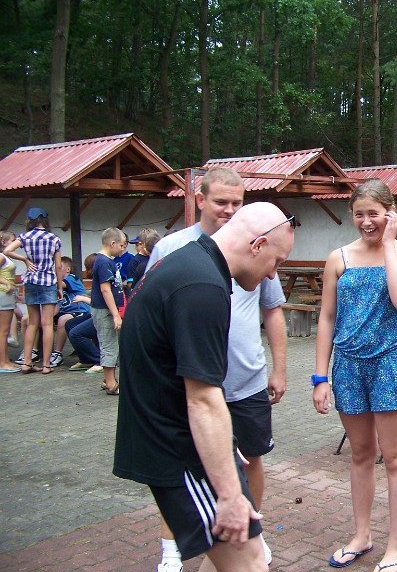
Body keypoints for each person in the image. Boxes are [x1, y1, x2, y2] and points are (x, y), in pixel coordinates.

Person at [113, 202, 295, 572]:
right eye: (276, 261)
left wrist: (222, 445)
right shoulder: (202, 285)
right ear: (258, 245)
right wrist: (227, 491)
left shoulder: (189, 263)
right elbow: (203, 400)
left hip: (182, 437)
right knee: (249, 562)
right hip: (179, 448)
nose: (273, 274)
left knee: (239, 554)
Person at [312, 179, 397, 572]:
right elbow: (327, 318)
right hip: (348, 367)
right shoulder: (338, 258)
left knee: (395, 457)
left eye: (374, 213)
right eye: (359, 214)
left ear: (390, 213)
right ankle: (362, 535)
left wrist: (389, 244)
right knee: (360, 454)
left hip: (388, 365)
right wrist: (319, 377)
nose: (366, 222)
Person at [3, 207, 63, 374]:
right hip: (48, 282)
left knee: (32, 323)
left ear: (30, 220)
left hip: (30, 281)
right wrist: (59, 286)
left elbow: (7, 250)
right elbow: (58, 266)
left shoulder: (24, 237)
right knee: (47, 324)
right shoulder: (54, 239)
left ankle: (26, 362)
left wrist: (24, 259)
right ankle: (46, 365)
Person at [91, 227, 127, 394]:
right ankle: (111, 384)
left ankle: (108, 379)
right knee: (109, 345)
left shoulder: (106, 260)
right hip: (104, 310)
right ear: (112, 243)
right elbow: (105, 290)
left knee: (112, 344)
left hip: (107, 310)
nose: (122, 249)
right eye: (121, 245)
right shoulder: (104, 262)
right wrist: (115, 315)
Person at [50, 256, 92, 367]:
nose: (55, 270)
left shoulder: (71, 278)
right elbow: (57, 305)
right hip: (65, 311)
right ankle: (34, 351)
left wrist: (44, 278)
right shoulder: (56, 287)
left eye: (59, 267)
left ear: (68, 269)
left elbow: (59, 284)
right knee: (32, 319)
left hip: (80, 311)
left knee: (63, 320)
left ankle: (57, 353)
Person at [0, 231, 20, 372]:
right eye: (12, 240)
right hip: (3, 293)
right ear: (4, 242)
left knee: (4, 330)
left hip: (8, 295)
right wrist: (6, 283)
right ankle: (3, 362)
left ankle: (6, 360)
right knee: (4, 330)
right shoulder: (1, 257)